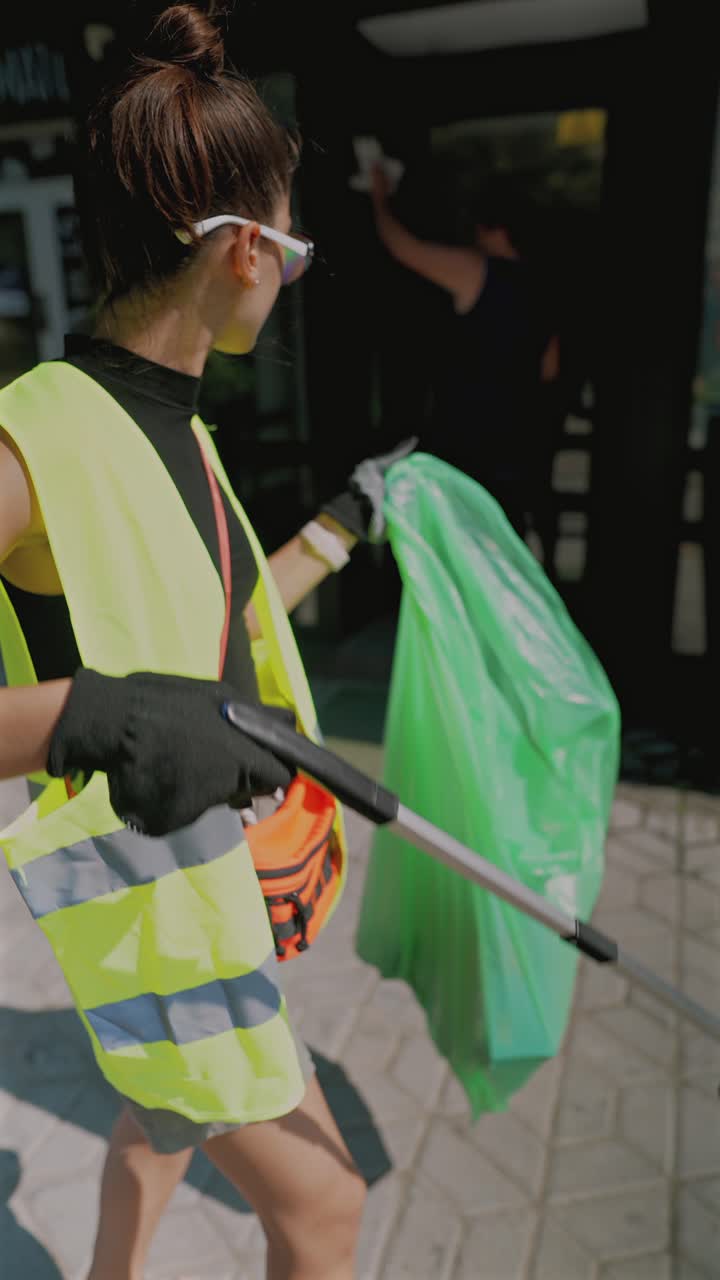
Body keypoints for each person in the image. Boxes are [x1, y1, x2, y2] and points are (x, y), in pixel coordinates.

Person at [0, 7, 411, 1279]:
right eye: (296, 244)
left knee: (163, 1121)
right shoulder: (33, 435)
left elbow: (211, 642)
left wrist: (344, 526)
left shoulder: (183, 431)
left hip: (206, 903)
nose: (293, 269)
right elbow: (140, 694)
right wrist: (95, 712)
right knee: (329, 1206)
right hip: (152, 919)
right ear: (245, 249)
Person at [370, 166, 560, 541]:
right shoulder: (544, 290)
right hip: (516, 455)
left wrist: (379, 198)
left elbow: (403, 248)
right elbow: (549, 371)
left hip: (467, 449)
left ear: (493, 228)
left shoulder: (478, 271)